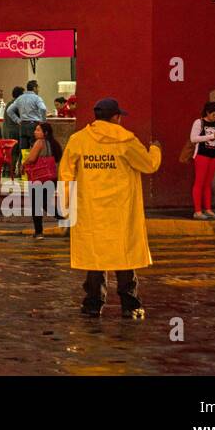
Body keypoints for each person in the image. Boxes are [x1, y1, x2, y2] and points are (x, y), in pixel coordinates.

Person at [58, 97, 161, 319]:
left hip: (91, 210)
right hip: (121, 211)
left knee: (95, 260)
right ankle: (130, 305)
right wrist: (155, 149)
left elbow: (66, 175)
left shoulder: (78, 140)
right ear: (116, 117)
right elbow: (148, 165)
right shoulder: (126, 140)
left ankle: (93, 304)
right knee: (125, 259)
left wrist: (64, 206)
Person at [24, 121, 62, 239]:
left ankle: (39, 232)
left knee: (37, 205)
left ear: (45, 133)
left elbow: (31, 159)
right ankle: (64, 218)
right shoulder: (54, 144)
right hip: (51, 178)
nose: (35, 132)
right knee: (45, 203)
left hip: (38, 178)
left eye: (38, 130)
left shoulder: (39, 142)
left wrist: (23, 163)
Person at [189, 101, 215, 220]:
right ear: (207, 112)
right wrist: (211, 136)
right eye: (214, 115)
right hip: (201, 156)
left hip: (213, 156)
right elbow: (193, 139)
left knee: (207, 184)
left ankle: (208, 209)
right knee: (199, 183)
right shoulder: (199, 122)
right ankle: (198, 211)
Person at [5, 80, 47, 177]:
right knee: (34, 149)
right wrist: (42, 120)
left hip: (23, 126)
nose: (39, 89)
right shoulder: (36, 98)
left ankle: (22, 173)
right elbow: (43, 108)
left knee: (23, 150)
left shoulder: (20, 98)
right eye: (38, 87)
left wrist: (18, 120)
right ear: (35, 88)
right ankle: (33, 173)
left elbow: (9, 110)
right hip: (33, 125)